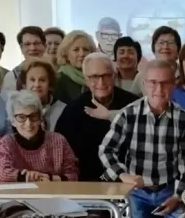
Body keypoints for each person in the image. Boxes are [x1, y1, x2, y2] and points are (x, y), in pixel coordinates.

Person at [99, 59, 185, 218]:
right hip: (137, 193)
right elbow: (106, 150)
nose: (158, 89)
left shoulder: (183, 118)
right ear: (144, 84)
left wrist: (178, 195)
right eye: (153, 82)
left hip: (169, 191)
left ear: (173, 85)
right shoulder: (128, 114)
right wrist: (122, 174)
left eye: (165, 83)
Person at [56, 52, 138, 181]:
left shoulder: (133, 103)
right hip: (87, 182)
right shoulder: (72, 111)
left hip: (128, 179)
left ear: (114, 76)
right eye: (94, 76)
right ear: (86, 79)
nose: (101, 82)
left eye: (106, 75)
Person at [0, 90, 78, 182]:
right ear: (12, 121)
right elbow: (3, 173)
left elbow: (73, 175)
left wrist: (49, 178)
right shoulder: (6, 142)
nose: (28, 124)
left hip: (53, 190)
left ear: (40, 118)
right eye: (21, 117)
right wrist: (29, 176)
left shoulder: (59, 140)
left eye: (33, 116)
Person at [131, 26, 182, 97]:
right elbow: (134, 101)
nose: (165, 47)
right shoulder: (142, 76)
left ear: (178, 49)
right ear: (153, 48)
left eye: (170, 43)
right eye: (161, 43)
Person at [21, 58, 66, 130]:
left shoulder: (63, 110)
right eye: (32, 80)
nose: (37, 85)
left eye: (42, 80)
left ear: (50, 84)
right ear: (24, 84)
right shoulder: (18, 110)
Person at [54, 30, 97, 104]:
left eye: (86, 49)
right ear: (66, 54)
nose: (82, 54)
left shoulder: (98, 77)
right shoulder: (59, 80)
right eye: (76, 50)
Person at [3, 26, 49, 94]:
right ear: (21, 48)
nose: (32, 48)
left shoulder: (54, 73)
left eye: (36, 43)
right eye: (27, 44)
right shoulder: (12, 77)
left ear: (44, 46)